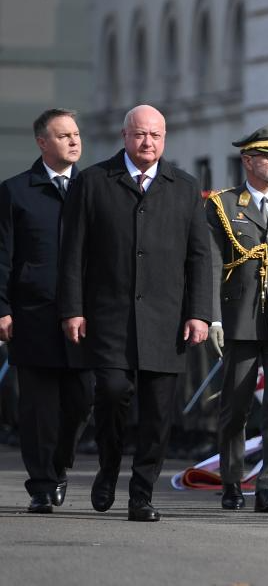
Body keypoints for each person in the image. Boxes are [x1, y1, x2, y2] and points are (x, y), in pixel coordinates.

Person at [59, 104, 212, 523]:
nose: (148, 142)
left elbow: (199, 257)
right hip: (109, 316)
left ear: (164, 139)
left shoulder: (184, 186)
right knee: (111, 393)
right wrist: (72, 309)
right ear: (125, 136)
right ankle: (108, 467)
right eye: (141, 134)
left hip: (166, 319)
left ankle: (141, 494)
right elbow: (72, 252)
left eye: (156, 135)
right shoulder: (93, 182)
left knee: (159, 413)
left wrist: (199, 312)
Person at [0, 109, 91, 514]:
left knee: (82, 399)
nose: (73, 141)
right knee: (38, 408)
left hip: (85, 315)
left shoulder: (92, 189)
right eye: (63, 135)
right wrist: (2, 308)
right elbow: (2, 256)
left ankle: (58, 464)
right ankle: (41, 484)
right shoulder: (16, 191)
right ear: (42, 142)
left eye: (76, 134)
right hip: (33, 313)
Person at [206, 124, 268, 513]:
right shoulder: (223, 204)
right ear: (247, 160)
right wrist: (213, 318)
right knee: (236, 407)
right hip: (239, 318)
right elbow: (212, 265)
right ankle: (231, 480)